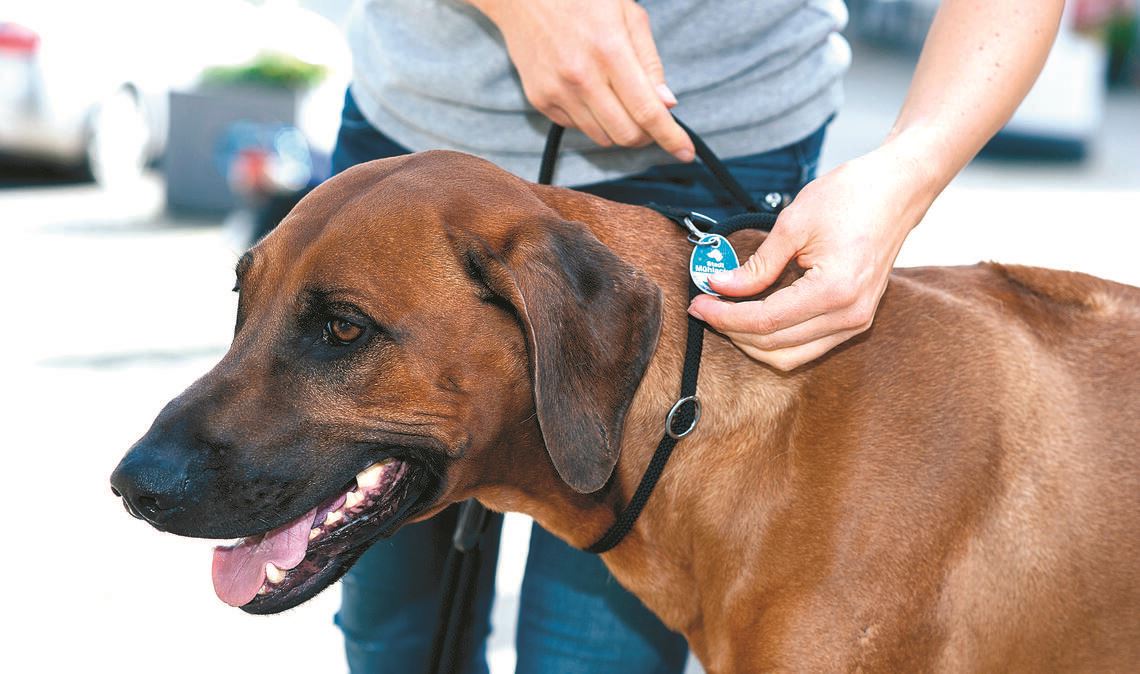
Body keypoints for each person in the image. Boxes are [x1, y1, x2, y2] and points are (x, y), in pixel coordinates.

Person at [330, 1, 1064, 671]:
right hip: (400, 170)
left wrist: (907, 174)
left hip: (698, 162)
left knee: (590, 659)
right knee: (391, 642)